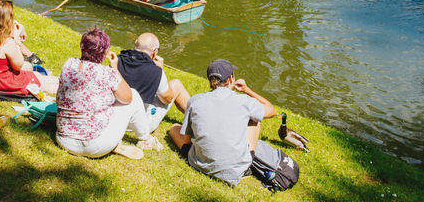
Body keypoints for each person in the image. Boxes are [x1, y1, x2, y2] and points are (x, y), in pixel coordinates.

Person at [55, 26, 163, 160]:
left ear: (82, 46)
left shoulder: (69, 64)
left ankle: (114, 142)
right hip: (93, 146)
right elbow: (128, 98)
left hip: (63, 140)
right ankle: (146, 139)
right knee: (134, 95)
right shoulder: (107, 73)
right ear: (105, 51)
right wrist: (115, 69)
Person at [169, 59, 277, 187]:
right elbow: (272, 110)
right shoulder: (244, 101)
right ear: (231, 79)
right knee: (255, 121)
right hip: (236, 170)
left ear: (210, 81)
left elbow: (187, 141)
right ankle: (249, 159)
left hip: (199, 163)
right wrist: (247, 90)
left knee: (174, 128)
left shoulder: (195, 100)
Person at [0, 0, 59, 95]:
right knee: (45, 85)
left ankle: (65, 80)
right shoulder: (6, 42)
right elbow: (18, 65)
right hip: (3, 81)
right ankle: (71, 88)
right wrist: (16, 40)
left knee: (35, 75)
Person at [116, 33, 191, 133]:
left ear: (135, 44)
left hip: (115, 118)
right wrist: (161, 70)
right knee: (176, 84)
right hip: (138, 125)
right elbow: (167, 99)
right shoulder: (155, 71)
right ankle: (200, 119)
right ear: (155, 52)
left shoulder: (116, 60)